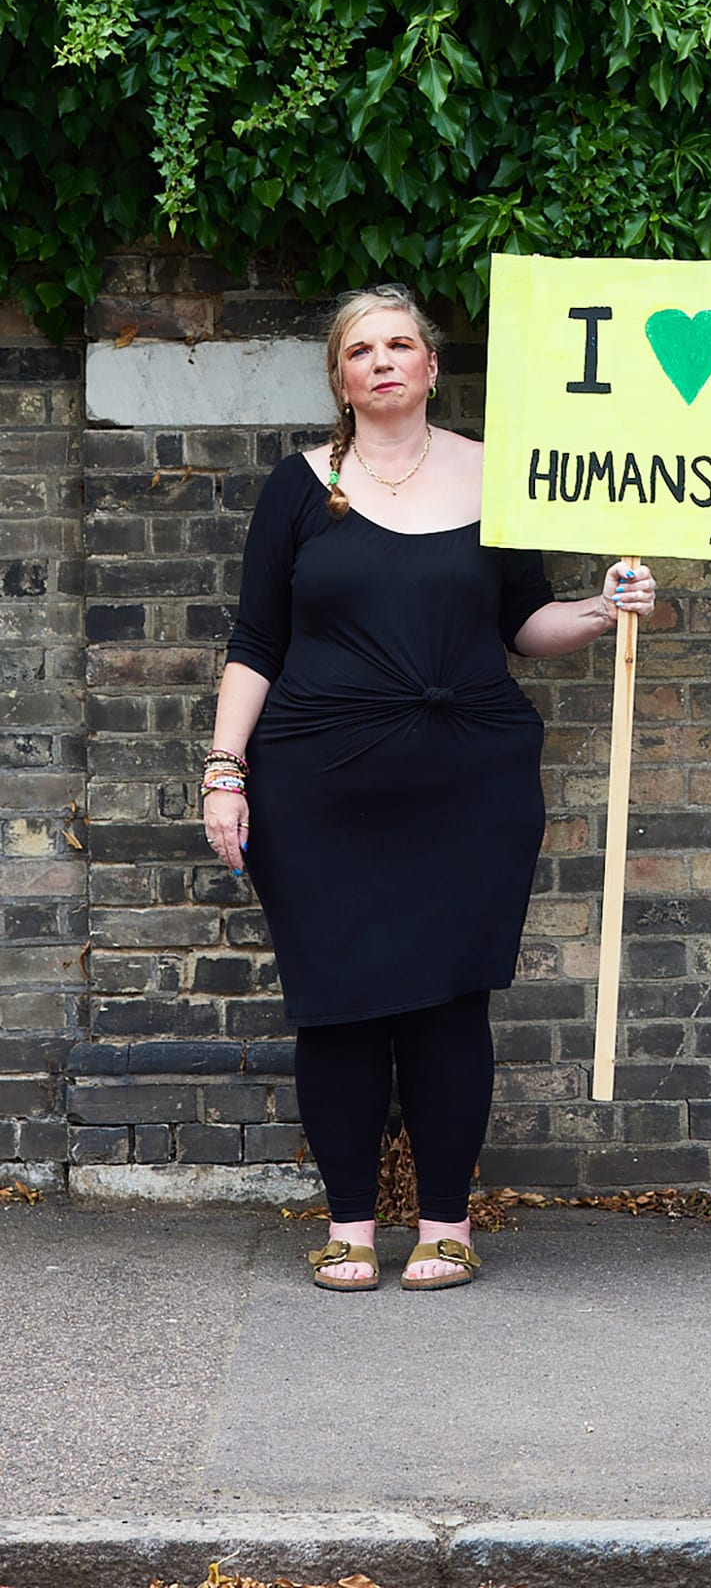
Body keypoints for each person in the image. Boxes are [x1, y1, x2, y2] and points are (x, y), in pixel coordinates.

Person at [199, 281, 655, 1291]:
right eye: (362, 349)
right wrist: (224, 770)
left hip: (467, 778)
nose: (384, 360)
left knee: (451, 1005)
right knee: (338, 1006)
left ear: (433, 366)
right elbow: (256, 641)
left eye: (401, 343)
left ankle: (445, 1225)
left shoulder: (501, 477)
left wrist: (601, 606)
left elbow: (523, 621)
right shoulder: (299, 487)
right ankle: (352, 1228)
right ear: (340, 376)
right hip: (316, 783)